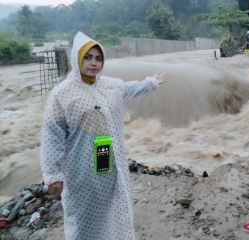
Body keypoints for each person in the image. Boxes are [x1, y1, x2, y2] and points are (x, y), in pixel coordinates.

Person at [40, 31, 169, 240]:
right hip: (79, 169)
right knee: (83, 216)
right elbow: (52, 135)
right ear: (76, 59)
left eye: (99, 58)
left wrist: (150, 83)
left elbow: (128, 89)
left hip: (108, 159)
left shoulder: (109, 85)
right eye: (88, 57)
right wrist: (52, 173)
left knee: (113, 206)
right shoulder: (62, 94)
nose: (94, 63)